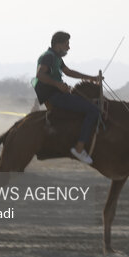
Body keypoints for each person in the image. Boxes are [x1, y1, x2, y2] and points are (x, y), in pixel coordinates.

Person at [32, 31, 101, 164]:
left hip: (58, 93)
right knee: (94, 110)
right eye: (67, 44)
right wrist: (57, 84)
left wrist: (91, 78)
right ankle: (79, 148)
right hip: (54, 96)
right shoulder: (48, 57)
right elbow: (40, 75)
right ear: (58, 44)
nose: (68, 47)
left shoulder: (56, 57)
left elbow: (68, 72)